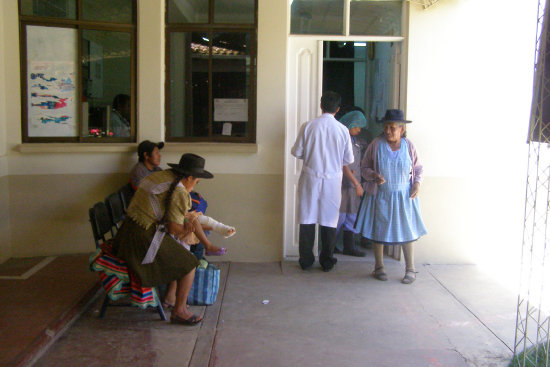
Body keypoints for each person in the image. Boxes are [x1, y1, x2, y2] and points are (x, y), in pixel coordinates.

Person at [111, 153, 222, 324]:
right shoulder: (179, 192)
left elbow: (186, 217)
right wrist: (189, 229)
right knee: (189, 263)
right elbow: (174, 228)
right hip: (141, 238)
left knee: (181, 253)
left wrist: (204, 240)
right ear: (189, 177)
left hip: (128, 231)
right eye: (196, 183)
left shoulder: (161, 176)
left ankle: (171, 299)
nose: (193, 188)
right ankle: (179, 310)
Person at [354, 109, 427, 284]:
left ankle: (410, 269)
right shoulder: (376, 145)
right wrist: (373, 175)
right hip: (381, 196)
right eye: (386, 127)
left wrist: (417, 184)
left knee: (406, 231)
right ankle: (379, 267)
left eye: (392, 127)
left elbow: (418, 169)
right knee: (379, 230)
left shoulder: (409, 146)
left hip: (404, 196)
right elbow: (363, 168)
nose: (388, 131)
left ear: (401, 129)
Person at [291, 91, 354, 272]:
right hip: (333, 180)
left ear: (321, 106)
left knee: (307, 217)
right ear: (338, 109)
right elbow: (347, 159)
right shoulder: (343, 130)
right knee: (329, 219)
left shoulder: (308, 126)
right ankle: (327, 260)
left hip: (311, 177)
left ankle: (306, 260)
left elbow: (297, 152)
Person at [334, 109, 368, 257]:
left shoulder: (356, 141)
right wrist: (356, 183)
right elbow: (344, 164)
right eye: (356, 126)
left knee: (352, 216)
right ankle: (331, 245)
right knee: (339, 217)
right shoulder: (342, 140)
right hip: (344, 184)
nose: (359, 130)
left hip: (354, 185)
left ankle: (349, 246)